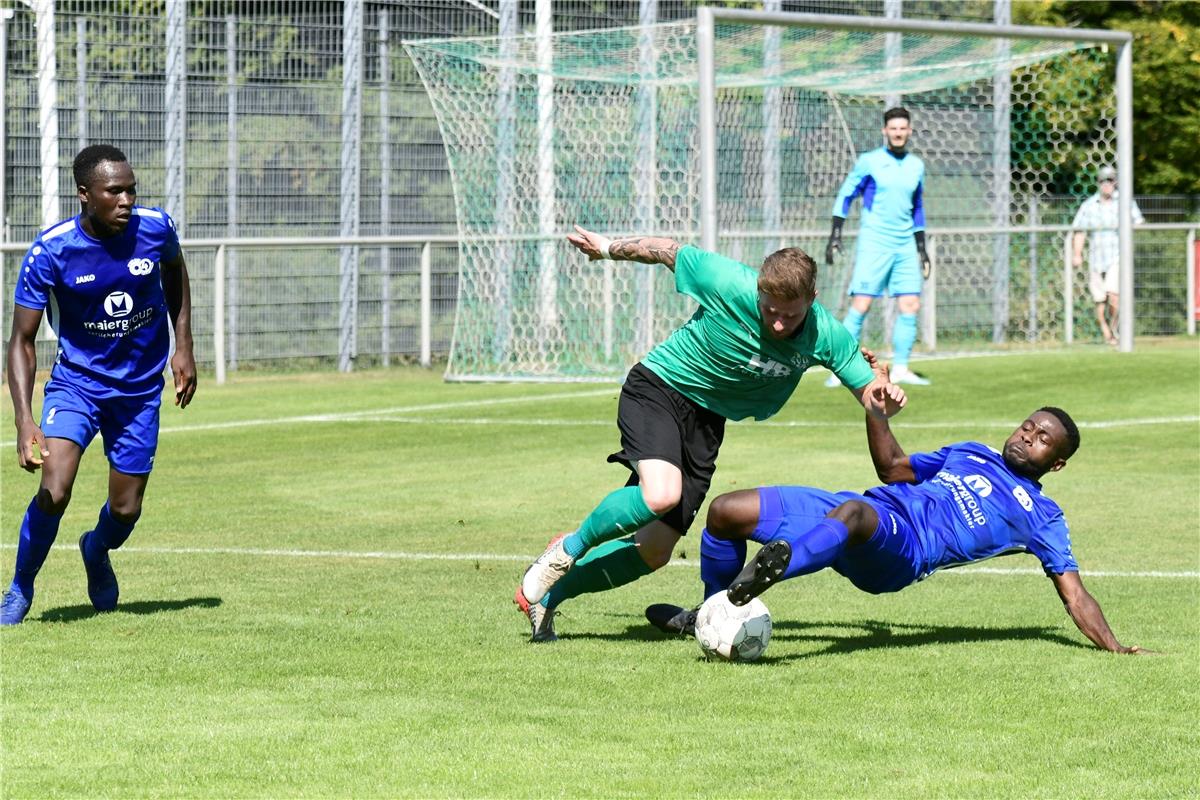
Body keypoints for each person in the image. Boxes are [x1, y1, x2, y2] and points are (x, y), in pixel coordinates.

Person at [515, 226, 907, 642]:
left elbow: (868, 390)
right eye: (769, 309)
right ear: (758, 291)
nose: (777, 323)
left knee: (653, 551)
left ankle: (551, 596)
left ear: (811, 300)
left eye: (789, 315)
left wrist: (881, 398)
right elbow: (668, 251)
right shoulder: (727, 281)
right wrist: (608, 249)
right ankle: (565, 551)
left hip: (707, 422)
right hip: (660, 388)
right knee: (660, 494)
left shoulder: (825, 334)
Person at [645, 404, 1146, 655]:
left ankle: (773, 570)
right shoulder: (969, 452)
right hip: (864, 509)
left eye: (1042, 440)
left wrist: (1115, 647)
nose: (1027, 438)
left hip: (903, 552)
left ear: (1055, 464)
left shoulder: (1043, 517)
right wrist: (875, 409)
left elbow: (1074, 594)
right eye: (1027, 427)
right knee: (728, 510)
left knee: (856, 515)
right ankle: (709, 616)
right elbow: (892, 469)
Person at [0, 144, 197, 625]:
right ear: (85, 194)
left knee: (126, 510)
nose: (127, 199)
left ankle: (96, 547)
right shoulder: (52, 251)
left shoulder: (156, 229)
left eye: (131, 189)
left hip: (138, 391)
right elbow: (20, 342)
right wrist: (25, 421)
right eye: (116, 191)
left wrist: (184, 344)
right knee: (56, 487)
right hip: (77, 386)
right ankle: (20, 586)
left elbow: (175, 271)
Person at [824, 106, 931, 386]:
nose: (898, 133)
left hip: (905, 243)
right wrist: (835, 232)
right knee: (861, 304)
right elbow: (846, 195)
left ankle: (901, 369)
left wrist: (921, 249)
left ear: (909, 131)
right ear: (885, 131)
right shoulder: (870, 162)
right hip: (875, 241)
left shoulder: (916, 166)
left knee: (910, 304)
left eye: (902, 128)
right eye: (893, 128)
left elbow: (917, 208)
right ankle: (841, 369)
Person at [1071, 165, 1144, 346]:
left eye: (1110, 180)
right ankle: (1107, 332)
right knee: (1099, 300)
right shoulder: (1089, 206)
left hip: (1118, 257)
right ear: (1098, 183)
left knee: (1114, 295)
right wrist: (1077, 254)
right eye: (1103, 181)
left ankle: (1114, 329)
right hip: (1096, 258)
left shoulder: (1125, 202)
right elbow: (1079, 231)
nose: (1107, 184)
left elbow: (1139, 222)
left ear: (1115, 183)